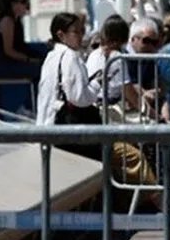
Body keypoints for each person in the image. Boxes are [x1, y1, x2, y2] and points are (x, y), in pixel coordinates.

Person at [35, 13, 160, 208]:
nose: (81, 36)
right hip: (73, 135)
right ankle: (159, 204)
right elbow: (80, 98)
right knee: (132, 156)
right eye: (76, 32)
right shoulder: (70, 56)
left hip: (50, 129)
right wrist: (96, 84)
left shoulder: (51, 57)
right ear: (61, 35)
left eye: (82, 31)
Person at [85, 15, 154, 122]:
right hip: (108, 111)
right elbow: (132, 95)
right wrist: (156, 116)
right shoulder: (116, 58)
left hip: (93, 108)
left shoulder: (93, 54)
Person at [0, 0, 43, 104]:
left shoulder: (16, 21)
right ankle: (34, 105)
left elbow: (21, 46)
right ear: (12, 4)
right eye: (23, 1)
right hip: (5, 66)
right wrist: (29, 59)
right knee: (42, 70)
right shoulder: (7, 21)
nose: (26, 5)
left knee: (43, 54)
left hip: (8, 63)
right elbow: (9, 50)